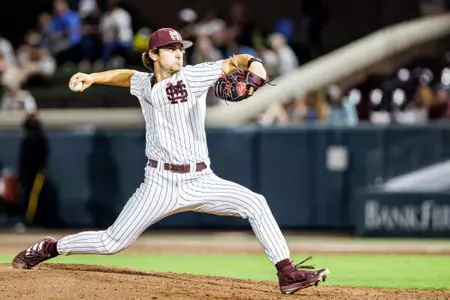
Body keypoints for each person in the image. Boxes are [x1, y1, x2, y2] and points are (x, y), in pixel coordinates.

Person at [12, 28, 329, 294]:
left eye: (181, 48)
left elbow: (238, 61)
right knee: (112, 242)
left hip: (202, 180)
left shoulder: (194, 75)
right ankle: (50, 248)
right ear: (153, 55)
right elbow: (128, 77)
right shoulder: (145, 83)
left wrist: (256, 67)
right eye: (171, 48)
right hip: (159, 184)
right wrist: (94, 77)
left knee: (255, 204)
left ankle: (287, 273)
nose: (179, 53)